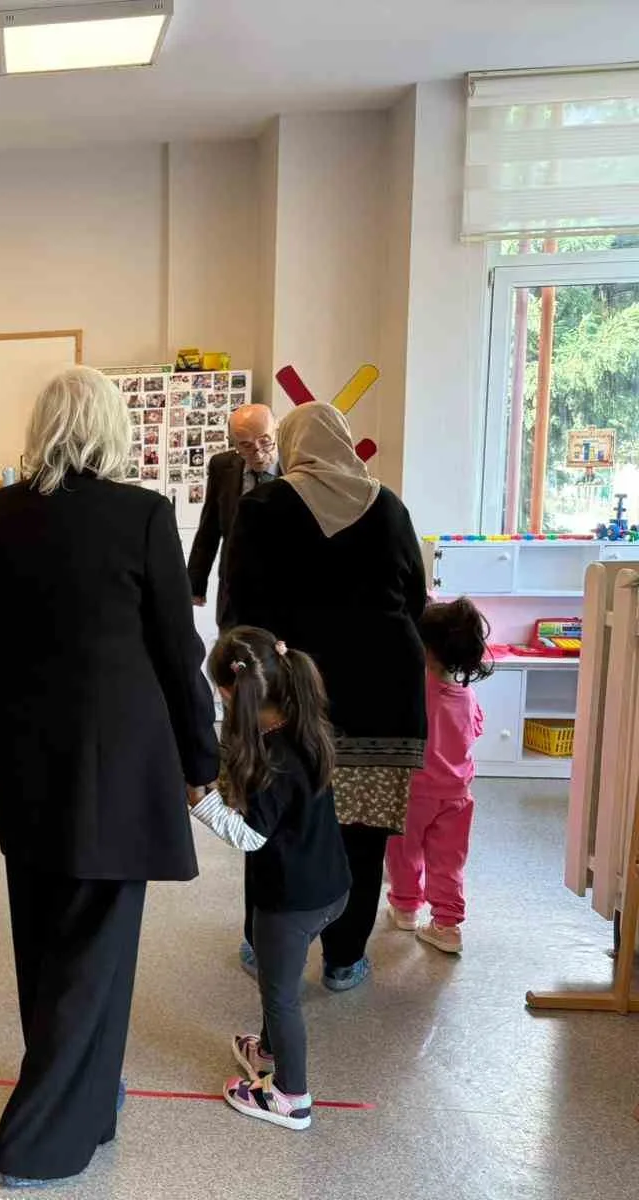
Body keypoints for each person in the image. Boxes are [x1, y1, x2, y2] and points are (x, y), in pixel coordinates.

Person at [0, 366, 218, 1186]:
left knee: (45, 947)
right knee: (95, 954)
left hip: (23, 767)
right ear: (110, 430)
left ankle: (93, 1100)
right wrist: (200, 756)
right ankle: (37, 1142)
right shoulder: (141, 516)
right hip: (116, 772)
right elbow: (179, 650)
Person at [226, 401, 427, 993]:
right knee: (361, 833)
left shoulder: (263, 505)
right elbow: (413, 598)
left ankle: (264, 947)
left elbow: (241, 610)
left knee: (274, 820)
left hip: (293, 696)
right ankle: (344, 959)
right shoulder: (388, 505)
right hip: (385, 696)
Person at [189, 629, 349, 1131]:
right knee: (276, 982)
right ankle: (266, 1056)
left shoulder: (276, 762)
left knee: (280, 996)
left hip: (291, 902)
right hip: (331, 886)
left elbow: (250, 835)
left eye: (223, 698)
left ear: (242, 698)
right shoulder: (302, 731)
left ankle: (291, 1096)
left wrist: (200, 802)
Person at [385, 598, 491, 955]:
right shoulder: (467, 695)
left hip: (412, 793)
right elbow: (476, 730)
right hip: (458, 795)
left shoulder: (411, 693)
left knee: (402, 850)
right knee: (448, 860)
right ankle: (447, 925)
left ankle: (405, 907)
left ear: (422, 647)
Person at [188, 404, 279, 628]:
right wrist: (195, 584)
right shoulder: (222, 466)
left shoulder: (297, 464)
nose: (257, 453)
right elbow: (210, 526)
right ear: (234, 443)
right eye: (246, 446)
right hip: (234, 586)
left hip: (281, 590)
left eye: (265, 441)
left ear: (277, 431)